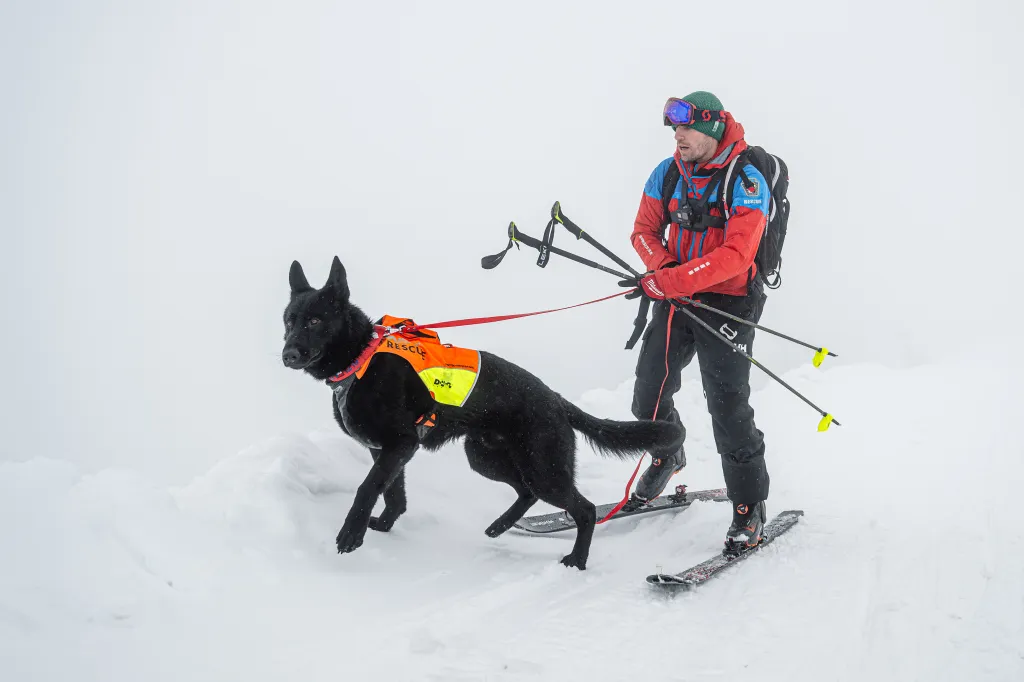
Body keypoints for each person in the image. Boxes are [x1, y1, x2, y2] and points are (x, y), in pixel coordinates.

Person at [620, 91, 772, 552]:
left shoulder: (745, 178)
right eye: (674, 129)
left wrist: (673, 279)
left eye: (686, 128)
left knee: (728, 409)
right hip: (676, 296)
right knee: (648, 395)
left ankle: (748, 507)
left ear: (711, 127)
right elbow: (642, 232)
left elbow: (737, 254)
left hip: (728, 305)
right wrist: (664, 269)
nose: (678, 137)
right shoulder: (666, 173)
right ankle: (668, 454)